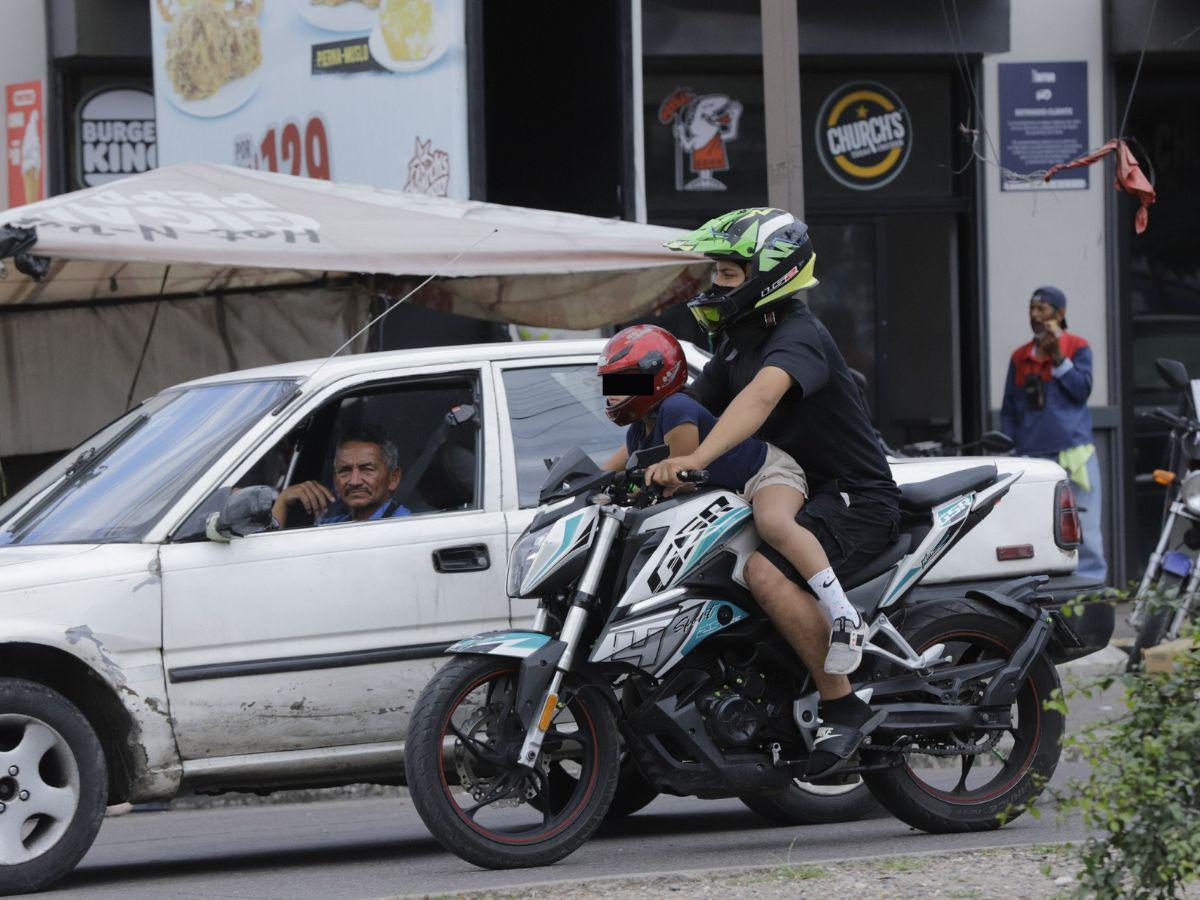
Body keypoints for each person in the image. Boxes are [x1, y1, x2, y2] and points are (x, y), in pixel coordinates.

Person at [647, 208, 901, 779]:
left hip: (852, 497)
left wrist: (696, 461)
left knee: (764, 572)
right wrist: (617, 470)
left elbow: (758, 401)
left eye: (730, 274)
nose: (717, 285)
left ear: (772, 273)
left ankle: (842, 703)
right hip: (798, 492)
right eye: (716, 273)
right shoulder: (739, 341)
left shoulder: (798, 335)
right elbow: (691, 407)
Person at [597, 325, 810, 515]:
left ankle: (822, 562)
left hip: (768, 474)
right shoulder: (639, 427)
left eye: (621, 381)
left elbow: (682, 483)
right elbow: (603, 474)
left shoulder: (676, 409)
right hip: (732, 490)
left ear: (656, 375)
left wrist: (640, 485)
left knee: (773, 523)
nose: (611, 392)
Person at [1001, 286, 1106, 582]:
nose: (1034, 315)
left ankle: (1090, 593)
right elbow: (1009, 408)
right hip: (1032, 458)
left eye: (1042, 309)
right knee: (1034, 530)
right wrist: (1009, 447)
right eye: (1031, 308)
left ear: (1060, 315)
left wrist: (1058, 358)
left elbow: (1081, 391)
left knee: (1085, 528)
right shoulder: (1020, 356)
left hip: (1074, 453)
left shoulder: (1077, 346)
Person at [271, 424, 411, 528]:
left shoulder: (407, 525)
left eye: (367, 469)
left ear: (394, 478)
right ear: (334, 478)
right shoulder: (333, 526)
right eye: (345, 470)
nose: (354, 482)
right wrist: (283, 500)